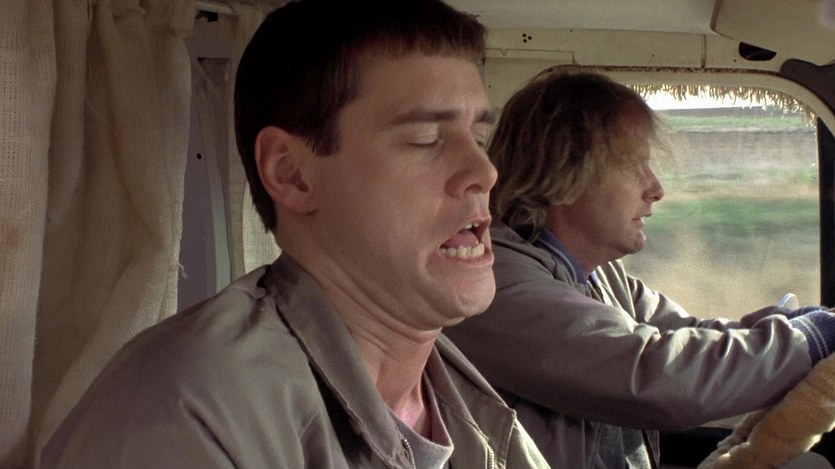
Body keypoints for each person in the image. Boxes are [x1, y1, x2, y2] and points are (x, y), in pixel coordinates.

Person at [40, 1, 551, 467]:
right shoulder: (182, 411)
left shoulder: (469, 411)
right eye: (425, 139)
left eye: (479, 137)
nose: (485, 172)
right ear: (291, 174)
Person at [443, 71, 835, 469]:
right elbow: (657, 376)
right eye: (634, 167)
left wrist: (806, 324)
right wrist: (812, 339)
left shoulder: (598, 275)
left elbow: (690, 336)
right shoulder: (497, 286)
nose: (656, 189)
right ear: (562, 178)